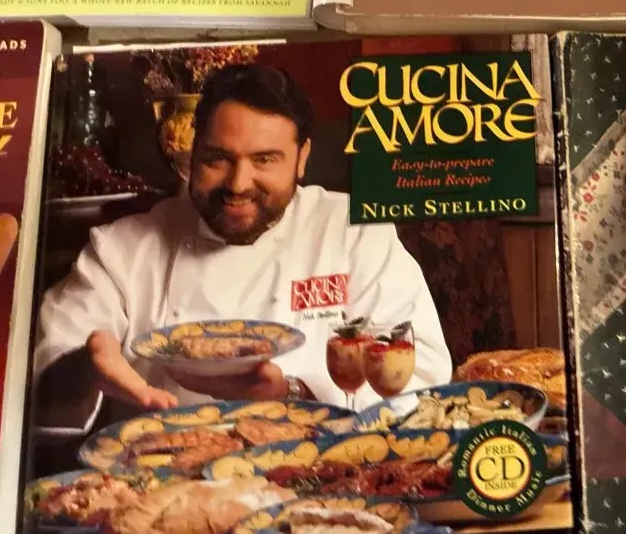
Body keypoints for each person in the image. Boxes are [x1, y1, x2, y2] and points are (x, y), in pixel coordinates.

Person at [32, 64, 452, 432]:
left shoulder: (352, 232)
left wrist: (292, 394)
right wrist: (84, 367)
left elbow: (423, 377)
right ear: (193, 150)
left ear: (302, 158)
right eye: (217, 158)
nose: (237, 184)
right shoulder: (121, 250)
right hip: (161, 479)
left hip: (318, 470)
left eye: (264, 159)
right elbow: (42, 373)